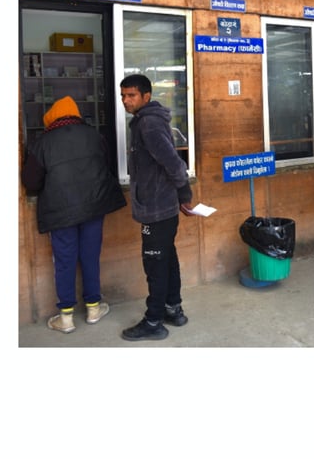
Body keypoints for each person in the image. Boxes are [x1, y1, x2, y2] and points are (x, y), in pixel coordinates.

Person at [21, 96, 127, 334]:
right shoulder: (94, 135)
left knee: (65, 260)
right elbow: (106, 165)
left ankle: (66, 317)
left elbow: (30, 181)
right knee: (90, 256)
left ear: (52, 117)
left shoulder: (42, 142)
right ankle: (93, 308)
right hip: (93, 207)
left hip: (60, 211)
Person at [119, 74, 194, 342]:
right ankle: (174, 309)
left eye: (131, 95)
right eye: (123, 95)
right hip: (162, 206)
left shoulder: (148, 124)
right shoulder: (147, 121)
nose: (126, 101)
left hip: (157, 208)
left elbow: (174, 163)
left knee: (155, 264)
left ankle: (153, 321)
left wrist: (184, 193)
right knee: (166, 258)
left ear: (146, 97)